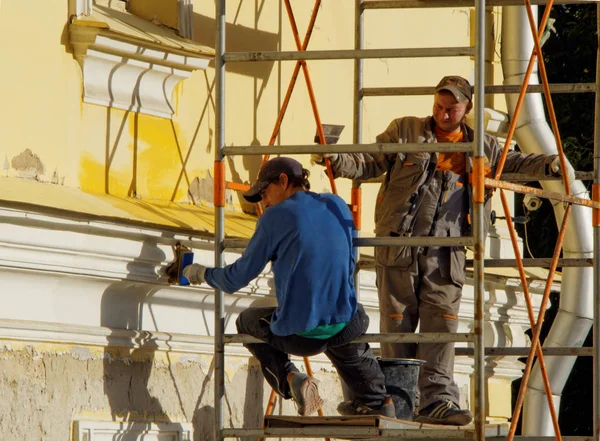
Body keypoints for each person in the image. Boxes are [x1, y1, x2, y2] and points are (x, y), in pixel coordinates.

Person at [311, 75, 566, 426]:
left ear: (467, 109)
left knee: (441, 328)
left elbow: (519, 164)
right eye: (439, 107)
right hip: (398, 246)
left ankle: (437, 401)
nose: (443, 114)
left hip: (447, 253)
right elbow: (370, 160)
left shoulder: (485, 147)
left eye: (452, 109)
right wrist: (335, 159)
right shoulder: (406, 132)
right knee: (397, 327)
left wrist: (552, 165)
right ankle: (394, 398)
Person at [182, 157, 395, 418]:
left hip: (300, 334)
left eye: (265, 192)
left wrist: (200, 273)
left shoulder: (275, 217)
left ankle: (293, 380)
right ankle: (378, 400)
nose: (263, 202)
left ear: (283, 181)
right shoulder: (337, 204)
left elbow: (236, 279)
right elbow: (350, 260)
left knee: (247, 322)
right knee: (344, 320)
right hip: (345, 322)